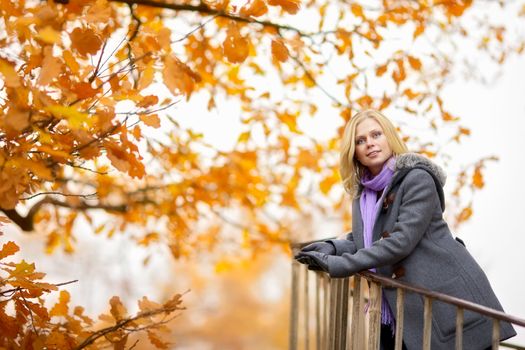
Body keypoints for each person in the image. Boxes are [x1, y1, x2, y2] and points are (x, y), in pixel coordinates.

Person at [294, 109, 516, 350]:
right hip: (401, 306)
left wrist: (339, 264)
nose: (370, 143)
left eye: (376, 134)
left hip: (447, 302)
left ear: (389, 137)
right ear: (354, 153)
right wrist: (333, 247)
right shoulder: (364, 195)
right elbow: (368, 238)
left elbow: (399, 241)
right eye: (360, 140)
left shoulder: (417, 179)